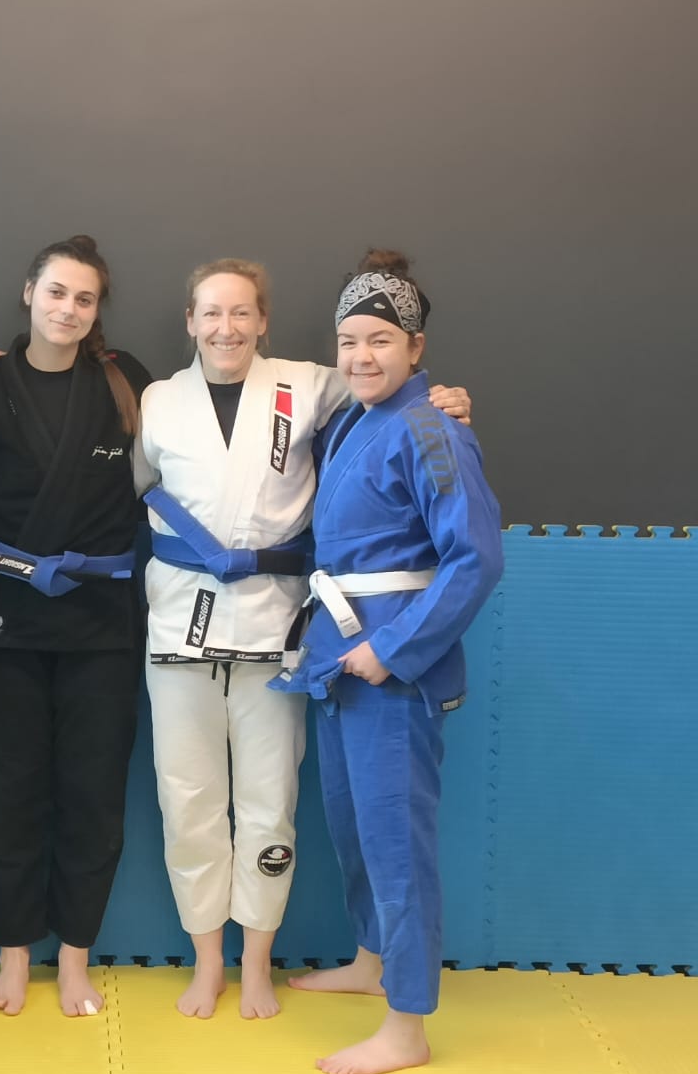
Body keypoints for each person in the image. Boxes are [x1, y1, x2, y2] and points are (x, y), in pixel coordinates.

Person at [137, 260, 470, 1021]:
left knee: (270, 800)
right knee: (186, 798)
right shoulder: (156, 401)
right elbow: (137, 488)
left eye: (241, 313)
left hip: (280, 629)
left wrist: (445, 399)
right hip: (181, 621)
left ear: (263, 321)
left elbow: (388, 393)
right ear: (190, 321)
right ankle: (209, 962)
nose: (226, 328)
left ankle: (257, 963)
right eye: (211, 313)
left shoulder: (311, 384)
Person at [273, 249, 503, 1074]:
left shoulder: (434, 429)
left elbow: (476, 558)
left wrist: (394, 650)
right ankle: (372, 962)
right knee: (355, 825)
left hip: (392, 664)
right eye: (349, 341)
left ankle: (407, 1025)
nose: (362, 356)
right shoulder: (351, 421)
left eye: (379, 340)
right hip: (339, 657)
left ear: (415, 347)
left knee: (397, 840)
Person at [0, 235, 151, 1017]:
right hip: (9, 620)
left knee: (93, 795)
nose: (68, 309)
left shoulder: (127, 382)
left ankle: (74, 958)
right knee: (8, 792)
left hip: (104, 622)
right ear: (29, 292)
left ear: (98, 311)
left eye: (84, 298)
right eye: (57, 292)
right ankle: (13, 957)